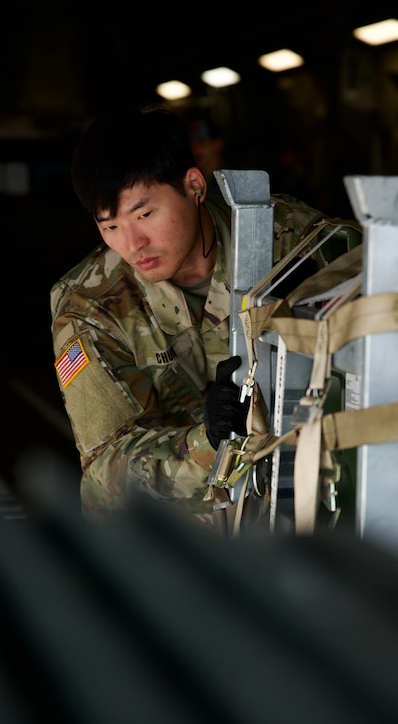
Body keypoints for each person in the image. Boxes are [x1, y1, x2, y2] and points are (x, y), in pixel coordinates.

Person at [49, 105, 359, 530]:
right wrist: (208, 442)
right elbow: (106, 474)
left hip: (303, 512)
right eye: (110, 227)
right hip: (180, 543)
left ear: (194, 185)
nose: (134, 243)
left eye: (144, 214)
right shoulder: (90, 305)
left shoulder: (287, 239)